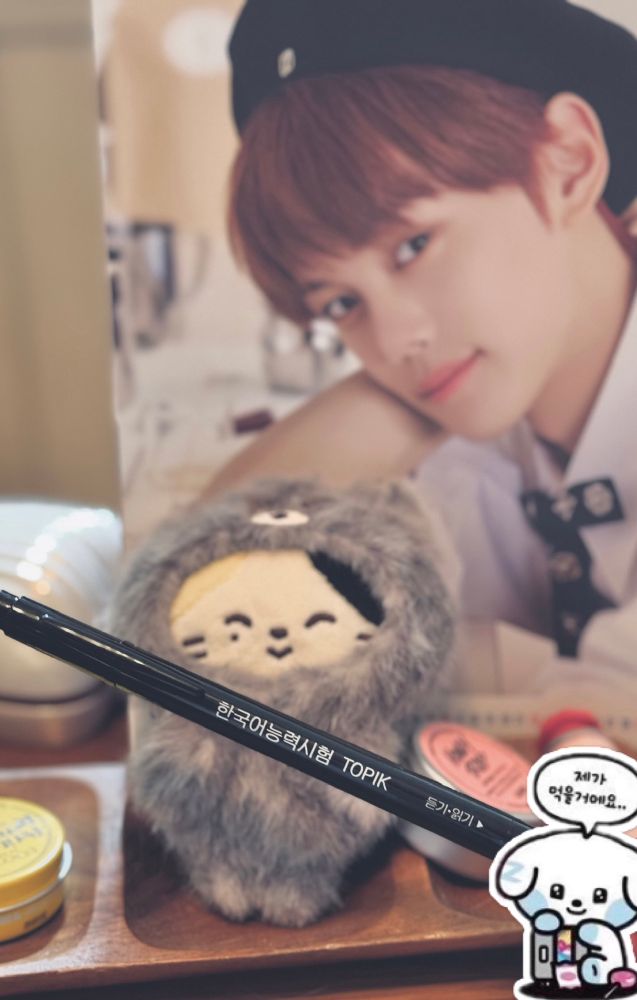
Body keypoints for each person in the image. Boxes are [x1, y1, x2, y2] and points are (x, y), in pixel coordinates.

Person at [204, 0, 637, 695]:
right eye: (340, 304)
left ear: (567, 163)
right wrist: (397, 408)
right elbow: (195, 614)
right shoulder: (468, 447)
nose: (392, 341)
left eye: (413, 246)